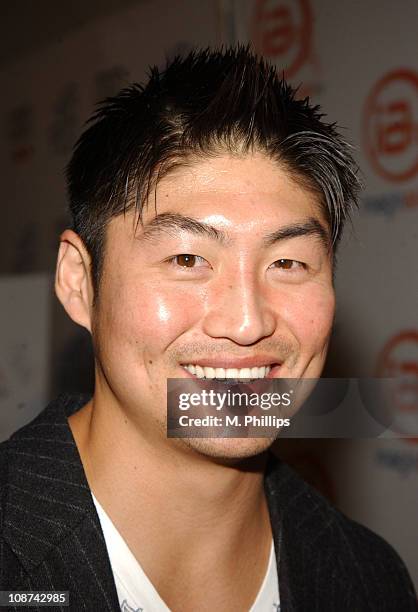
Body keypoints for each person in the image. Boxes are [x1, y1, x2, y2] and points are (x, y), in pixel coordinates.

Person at [0, 47, 416, 612]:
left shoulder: (369, 579)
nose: (247, 323)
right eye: (187, 259)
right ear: (80, 282)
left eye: (288, 264)